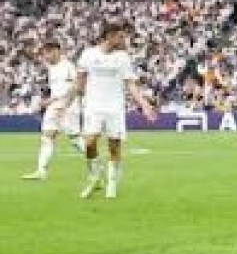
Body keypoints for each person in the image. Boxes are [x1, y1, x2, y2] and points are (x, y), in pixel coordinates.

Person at [74, 20, 159, 200]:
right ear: (109, 36)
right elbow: (79, 82)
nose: (123, 39)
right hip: (93, 106)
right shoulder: (88, 55)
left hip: (114, 108)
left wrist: (144, 104)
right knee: (89, 143)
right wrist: (67, 103)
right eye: (120, 36)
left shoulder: (122, 58)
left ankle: (111, 185)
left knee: (114, 147)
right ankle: (96, 176)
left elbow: (131, 84)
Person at [21, 41, 83, 181]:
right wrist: (49, 101)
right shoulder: (51, 68)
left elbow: (76, 86)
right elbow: (56, 90)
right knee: (47, 137)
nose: (45, 56)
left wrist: (65, 104)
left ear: (56, 51)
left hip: (68, 105)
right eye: (44, 53)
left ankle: (96, 163)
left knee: (75, 139)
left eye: (47, 53)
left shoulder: (68, 66)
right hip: (55, 105)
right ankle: (41, 171)